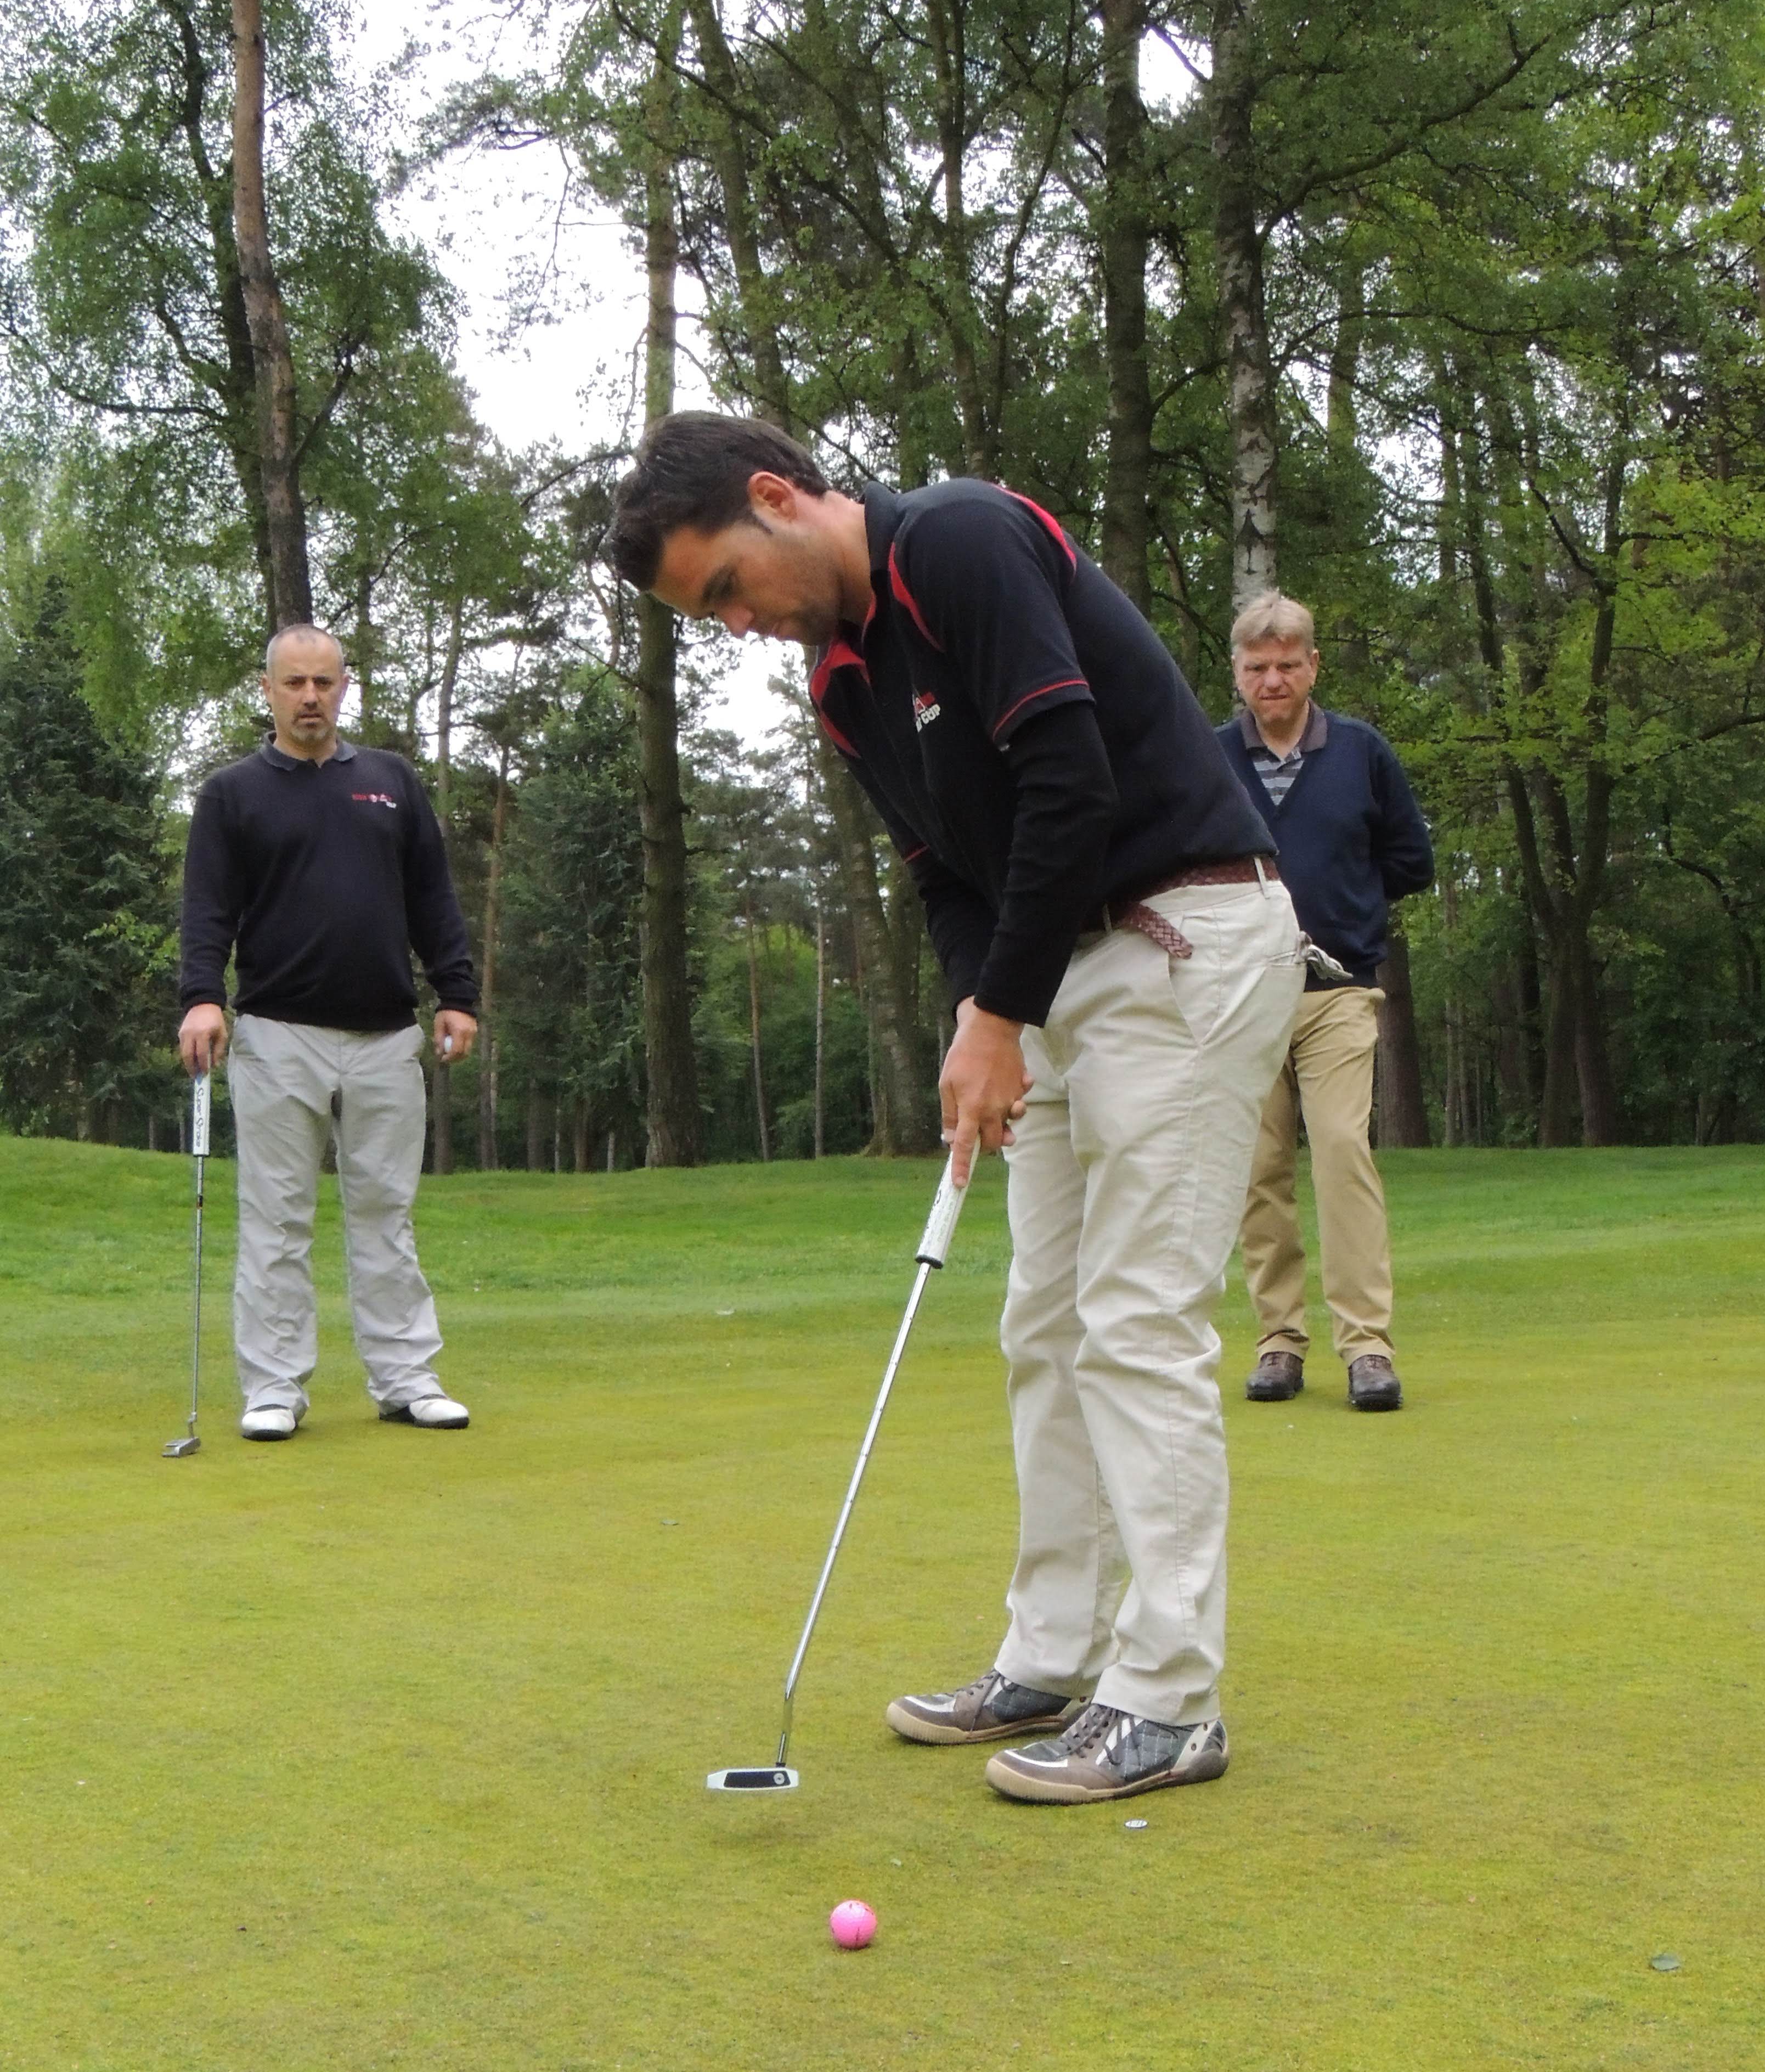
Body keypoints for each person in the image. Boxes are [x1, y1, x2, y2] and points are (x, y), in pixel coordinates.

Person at [613, 413, 1307, 1805]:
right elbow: (946, 872)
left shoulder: (958, 538)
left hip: (1184, 932)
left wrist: (1000, 1012)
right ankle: (1052, 1653)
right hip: (1056, 970)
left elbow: (1069, 778)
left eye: (728, 586)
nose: (738, 624)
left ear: (776, 497)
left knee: (1136, 1316)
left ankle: (1171, 1700)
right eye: (708, 615)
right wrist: (979, 1016)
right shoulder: (842, 682)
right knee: (1040, 1319)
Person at [176, 624, 480, 1442]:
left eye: (324, 682)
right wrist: (202, 998)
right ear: (269, 691)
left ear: (344, 687)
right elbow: (207, 910)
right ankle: (274, 1388)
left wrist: (456, 993)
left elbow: (433, 897)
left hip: (386, 1036)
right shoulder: (233, 794)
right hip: (277, 1035)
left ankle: (406, 1380)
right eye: (294, 683)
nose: (310, 697)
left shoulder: (390, 782)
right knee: (276, 1219)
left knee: (387, 1214)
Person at [1214, 594, 1434, 1413]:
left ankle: (1367, 1347)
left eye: (1287, 665)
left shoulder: (1361, 753)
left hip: (1338, 988)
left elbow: (1411, 860)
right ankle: (1278, 1341)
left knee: (1343, 1150)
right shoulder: (1210, 758)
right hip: (1241, 996)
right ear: (1237, 673)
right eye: (1257, 667)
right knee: (1258, 1168)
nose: (1272, 680)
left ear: (1313, 666)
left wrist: (1348, 905)